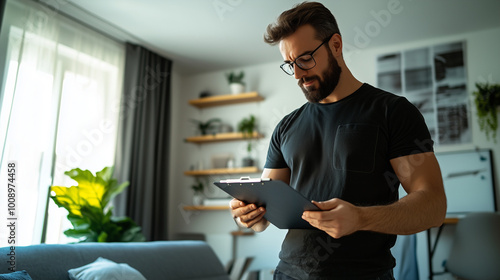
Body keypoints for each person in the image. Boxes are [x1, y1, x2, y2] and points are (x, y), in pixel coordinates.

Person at [229, 2, 447, 280]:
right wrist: (248, 214)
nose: (297, 74)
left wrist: (360, 218)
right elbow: (266, 212)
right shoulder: (286, 126)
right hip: (287, 274)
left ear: (335, 44)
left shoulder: (393, 112)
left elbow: (433, 206)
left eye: (305, 58)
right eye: (289, 64)